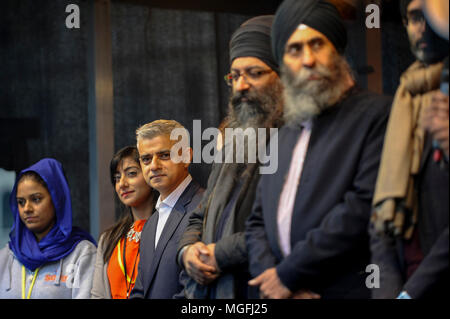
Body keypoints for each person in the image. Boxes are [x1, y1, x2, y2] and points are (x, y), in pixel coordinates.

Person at [245, 0, 392, 299]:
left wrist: (288, 275)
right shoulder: (284, 133)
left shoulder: (377, 115)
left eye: (317, 44)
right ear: (284, 62)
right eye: (295, 50)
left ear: (336, 50)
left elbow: (361, 207)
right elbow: (257, 221)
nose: (308, 59)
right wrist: (271, 280)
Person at [177, 15, 284, 299]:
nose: (241, 86)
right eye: (234, 76)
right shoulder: (234, 141)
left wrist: (219, 254)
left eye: (254, 73)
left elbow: (282, 227)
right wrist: (188, 251)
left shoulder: (294, 140)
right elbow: (200, 215)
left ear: (283, 76)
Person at [370, 0, 448, 299]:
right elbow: (380, 213)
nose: (424, 27)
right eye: (416, 18)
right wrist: (389, 291)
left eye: (433, 16)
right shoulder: (405, 96)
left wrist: (411, 293)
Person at [0, 158, 96, 299]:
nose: (27, 208)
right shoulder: (7, 256)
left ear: (57, 200)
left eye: (36, 199)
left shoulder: (81, 254)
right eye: (21, 202)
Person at [129, 120, 204, 299]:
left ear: (186, 157)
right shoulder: (150, 225)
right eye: (146, 159)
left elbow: (196, 288)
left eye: (164, 155)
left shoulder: (204, 206)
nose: (153, 166)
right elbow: (141, 289)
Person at [91, 146, 158, 299]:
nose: (122, 184)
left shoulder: (166, 230)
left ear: (150, 174)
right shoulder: (109, 239)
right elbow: (98, 295)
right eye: (117, 178)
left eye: (131, 174)